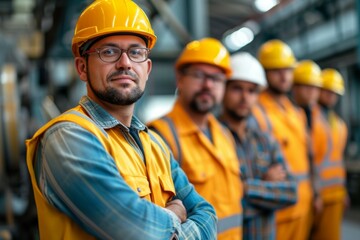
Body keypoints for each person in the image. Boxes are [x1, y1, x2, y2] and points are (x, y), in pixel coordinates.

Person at [25, 1, 217, 239]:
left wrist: (166, 229)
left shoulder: (155, 145)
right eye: (109, 52)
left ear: (147, 69)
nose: (125, 63)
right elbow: (136, 232)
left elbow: (207, 213)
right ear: (82, 67)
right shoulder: (67, 138)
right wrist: (175, 215)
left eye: (136, 52)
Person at [147, 38, 243, 240]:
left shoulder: (224, 135)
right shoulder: (159, 136)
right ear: (179, 78)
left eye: (216, 78)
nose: (208, 84)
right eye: (199, 75)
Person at [218, 52, 297, 240]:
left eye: (252, 91)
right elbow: (217, 201)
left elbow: (291, 192)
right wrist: (265, 188)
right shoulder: (211, 138)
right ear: (223, 90)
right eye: (237, 89)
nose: (245, 97)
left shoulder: (266, 140)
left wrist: (246, 188)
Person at [251, 39, 313, 240]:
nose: (284, 76)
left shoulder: (295, 112)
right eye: (276, 70)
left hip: (303, 203)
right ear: (264, 72)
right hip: (276, 209)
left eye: (287, 70)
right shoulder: (255, 110)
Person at [310, 68, 349, 240]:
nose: (331, 95)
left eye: (334, 92)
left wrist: (344, 191)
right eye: (327, 91)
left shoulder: (340, 125)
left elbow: (339, 160)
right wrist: (314, 193)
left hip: (336, 193)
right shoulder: (308, 118)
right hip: (315, 194)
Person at [291, 60, 324, 215]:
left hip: (309, 194)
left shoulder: (316, 117)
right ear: (294, 87)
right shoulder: (289, 115)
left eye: (315, 88)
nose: (312, 92)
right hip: (290, 199)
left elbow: (313, 158)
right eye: (307, 86)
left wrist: (316, 193)